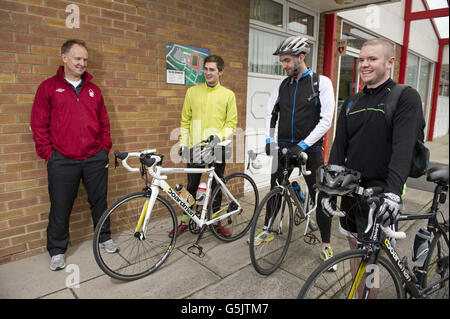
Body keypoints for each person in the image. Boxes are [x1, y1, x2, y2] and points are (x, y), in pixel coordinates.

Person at [328, 38, 425, 250]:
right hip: (352, 190)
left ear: (390, 63)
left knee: (371, 255)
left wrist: (393, 193)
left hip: (381, 193)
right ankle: (358, 285)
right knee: (353, 244)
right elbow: (339, 145)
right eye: (361, 59)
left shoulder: (405, 97)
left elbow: (403, 149)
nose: (364, 64)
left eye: (372, 59)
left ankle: (372, 285)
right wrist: (330, 186)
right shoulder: (352, 102)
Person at [30, 39, 117, 271]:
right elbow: (38, 125)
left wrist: (103, 148)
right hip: (61, 160)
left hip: (94, 158)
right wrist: (48, 154)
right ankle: (57, 250)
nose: (82, 63)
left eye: (85, 59)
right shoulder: (48, 88)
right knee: (60, 206)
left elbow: (104, 122)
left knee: (99, 202)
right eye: (78, 58)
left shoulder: (94, 90)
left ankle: (104, 237)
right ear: (64, 58)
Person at [258, 36, 336, 264]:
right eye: (282, 61)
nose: (284, 65)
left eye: (287, 60)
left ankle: (326, 244)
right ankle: (266, 228)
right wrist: (268, 140)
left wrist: (302, 145)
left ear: (301, 57)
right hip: (283, 147)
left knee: (320, 194)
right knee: (274, 188)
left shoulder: (321, 83)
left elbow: (326, 121)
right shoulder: (282, 85)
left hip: (310, 149)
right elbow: (270, 113)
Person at [170, 55, 238, 238]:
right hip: (195, 148)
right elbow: (185, 121)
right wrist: (183, 145)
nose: (207, 73)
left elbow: (231, 123)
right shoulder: (192, 92)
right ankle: (185, 220)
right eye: (205, 69)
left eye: (212, 69)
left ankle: (216, 221)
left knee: (217, 185)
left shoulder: (228, 95)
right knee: (191, 186)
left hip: (218, 147)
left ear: (220, 72)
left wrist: (219, 136)